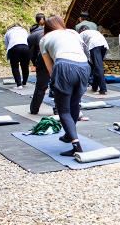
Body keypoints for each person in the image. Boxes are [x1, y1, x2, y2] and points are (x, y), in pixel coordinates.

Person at [40, 15, 90, 156]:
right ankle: (69, 135)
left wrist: (55, 84)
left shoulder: (44, 39)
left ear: (46, 27)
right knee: (75, 104)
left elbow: (50, 68)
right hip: (84, 66)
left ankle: (76, 145)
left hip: (63, 65)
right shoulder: (73, 33)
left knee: (63, 109)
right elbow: (85, 52)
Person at [28, 13, 51, 114]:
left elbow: (31, 53)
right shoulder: (59, 33)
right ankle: (57, 110)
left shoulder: (32, 36)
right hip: (60, 58)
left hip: (43, 58)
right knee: (58, 86)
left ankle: (34, 109)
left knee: (41, 86)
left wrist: (35, 64)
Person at [79, 25, 109, 94]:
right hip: (104, 45)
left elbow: (82, 48)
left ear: (81, 30)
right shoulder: (94, 31)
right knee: (96, 66)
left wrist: (86, 59)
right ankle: (94, 86)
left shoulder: (81, 34)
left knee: (98, 67)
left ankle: (103, 88)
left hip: (95, 45)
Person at [4, 24, 30, 89]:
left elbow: (7, 44)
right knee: (25, 66)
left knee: (15, 66)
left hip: (14, 47)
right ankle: (24, 82)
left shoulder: (8, 32)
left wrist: (9, 53)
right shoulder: (24, 30)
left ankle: (19, 84)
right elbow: (29, 39)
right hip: (26, 47)